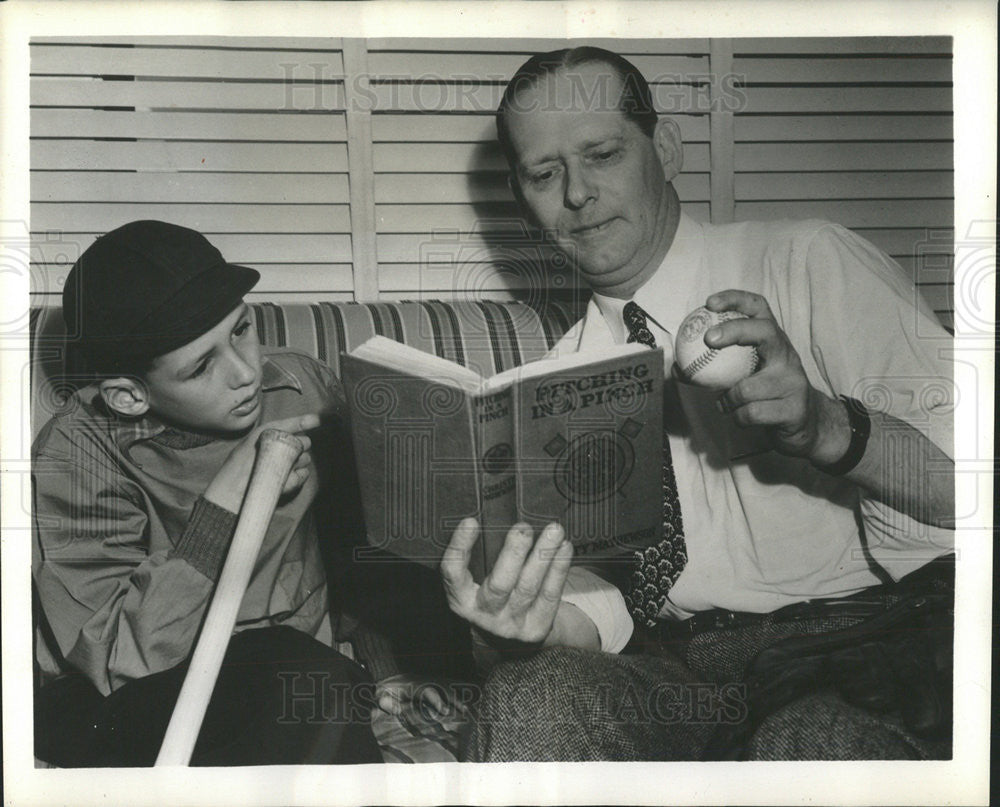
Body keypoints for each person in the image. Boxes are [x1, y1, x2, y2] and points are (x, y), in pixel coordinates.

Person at [438, 47, 955, 761]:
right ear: (522, 197)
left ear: (667, 149)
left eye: (602, 153)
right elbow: (606, 606)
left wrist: (825, 426)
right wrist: (524, 623)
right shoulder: (553, 382)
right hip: (677, 670)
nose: (579, 193)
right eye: (544, 173)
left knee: (808, 743)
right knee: (534, 700)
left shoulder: (810, 261)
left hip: (856, 640)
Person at [32, 220, 414, 766]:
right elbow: (116, 657)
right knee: (298, 675)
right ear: (129, 396)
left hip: (298, 682)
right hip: (125, 695)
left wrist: (389, 665)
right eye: (202, 366)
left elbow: (358, 545)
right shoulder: (78, 454)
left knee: (308, 680)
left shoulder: (302, 388)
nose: (246, 372)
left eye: (240, 330)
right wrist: (226, 502)